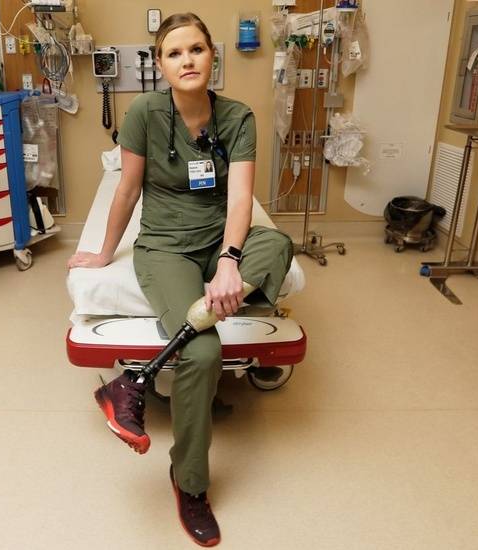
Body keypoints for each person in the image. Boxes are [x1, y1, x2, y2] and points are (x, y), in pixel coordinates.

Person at [67, 12, 293, 547]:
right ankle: (189, 482)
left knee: (278, 244)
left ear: (213, 56)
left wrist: (230, 260)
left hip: (220, 241)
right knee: (204, 355)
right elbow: (125, 190)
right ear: (161, 64)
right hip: (165, 248)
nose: (187, 60)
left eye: (196, 49)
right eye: (174, 53)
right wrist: (103, 252)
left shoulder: (239, 117)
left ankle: (133, 382)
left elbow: (241, 200)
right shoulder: (143, 111)